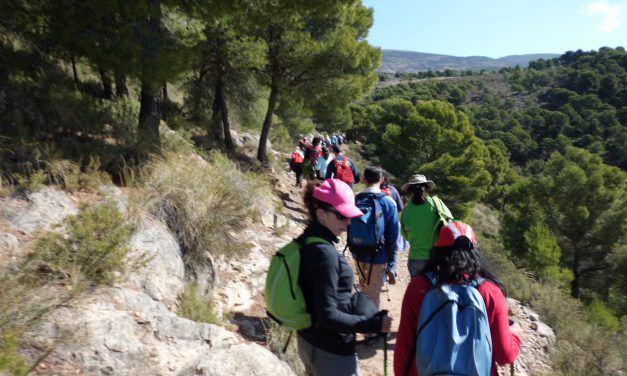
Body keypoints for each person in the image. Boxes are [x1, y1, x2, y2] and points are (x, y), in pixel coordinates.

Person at [394, 222, 522, 376]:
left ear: (438, 251)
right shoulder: (490, 292)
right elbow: (504, 355)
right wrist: (514, 334)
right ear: (475, 253)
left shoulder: (418, 287)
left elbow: (403, 349)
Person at [298, 179, 393, 376]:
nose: (349, 222)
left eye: (349, 216)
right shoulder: (325, 254)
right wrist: (374, 324)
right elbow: (328, 315)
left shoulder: (304, 241)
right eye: (342, 216)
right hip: (332, 352)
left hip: (307, 341)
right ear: (321, 214)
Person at [349, 166, 399, 310]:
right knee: (373, 295)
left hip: (357, 252)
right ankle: (369, 329)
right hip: (378, 256)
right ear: (382, 180)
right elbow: (392, 237)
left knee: (364, 289)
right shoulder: (389, 203)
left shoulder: (355, 199)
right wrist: (392, 263)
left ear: (364, 180)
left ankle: (362, 321)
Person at [400, 174, 452, 278]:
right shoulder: (436, 203)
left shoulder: (406, 210)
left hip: (415, 258)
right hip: (436, 258)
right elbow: (450, 224)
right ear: (427, 188)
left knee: (418, 292)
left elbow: (405, 235)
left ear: (410, 191)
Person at [380, 171, 408, 284]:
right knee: (393, 248)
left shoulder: (376, 191)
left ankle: (382, 277)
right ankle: (391, 268)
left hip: (379, 225)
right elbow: (400, 208)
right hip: (393, 224)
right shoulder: (393, 190)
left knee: (381, 250)